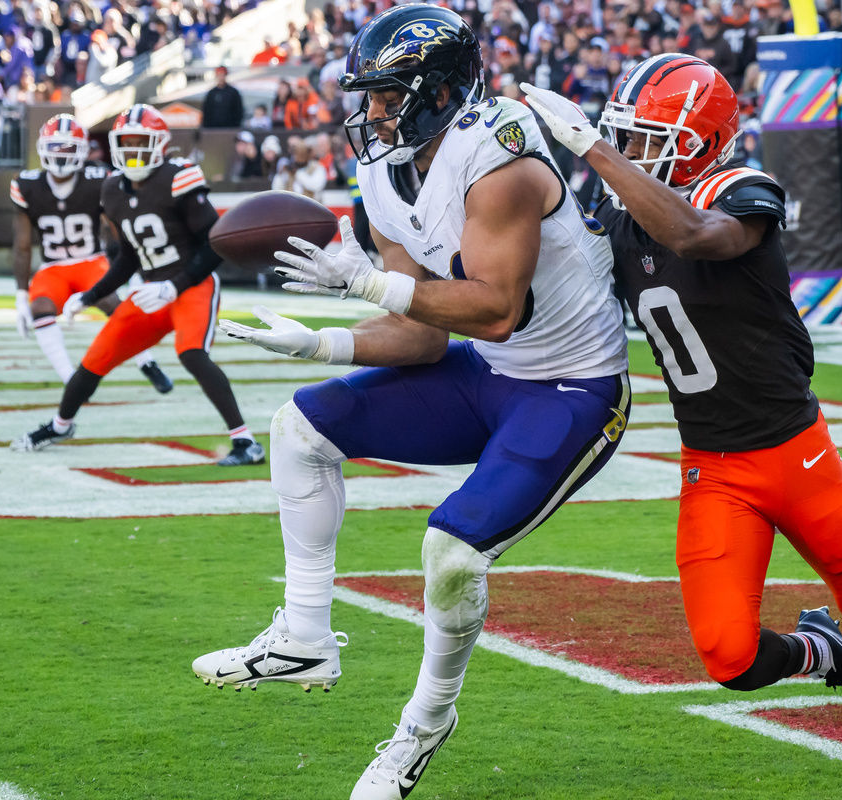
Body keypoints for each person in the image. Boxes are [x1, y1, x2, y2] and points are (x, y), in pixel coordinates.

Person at [520, 55, 842, 789]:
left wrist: (593, 152)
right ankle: (826, 653)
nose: (625, 153)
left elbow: (697, 236)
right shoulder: (618, 219)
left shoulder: (740, 191)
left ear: (694, 141)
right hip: (714, 468)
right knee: (729, 658)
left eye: (640, 139)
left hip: (796, 454)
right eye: (620, 140)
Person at [192, 6, 628, 799]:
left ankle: (423, 726)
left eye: (388, 95)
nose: (372, 113)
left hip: (572, 383)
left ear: (440, 92)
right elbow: (421, 331)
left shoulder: (500, 156)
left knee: (452, 555)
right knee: (300, 426)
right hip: (489, 372)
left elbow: (493, 305)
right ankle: (303, 635)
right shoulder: (384, 170)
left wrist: (360, 280)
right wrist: (322, 344)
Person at [12, 104, 264, 468]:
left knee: (191, 353)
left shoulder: (178, 177)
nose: (132, 150)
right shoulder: (112, 188)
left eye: (140, 142)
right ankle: (60, 425)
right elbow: (129, 256)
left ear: (160, 144)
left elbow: (214, 245)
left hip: (192, 285)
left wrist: (174, 286)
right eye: (126, 143)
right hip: (151, 291)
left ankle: (246, 443)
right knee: (94, 361)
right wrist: (91, 295)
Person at [10, 114, 172, 390]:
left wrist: (133, 266)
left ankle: (146, 361)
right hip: (52, 268)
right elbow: (22, 246)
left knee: (113, 304)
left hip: (91, 262)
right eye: (55, 147)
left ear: (82, 151)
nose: (60, 156)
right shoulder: (26, 185)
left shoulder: (97, 179)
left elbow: (118, 227)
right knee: (41, 309)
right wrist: (22, 295)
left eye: (68, 148)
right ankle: (71, 380)